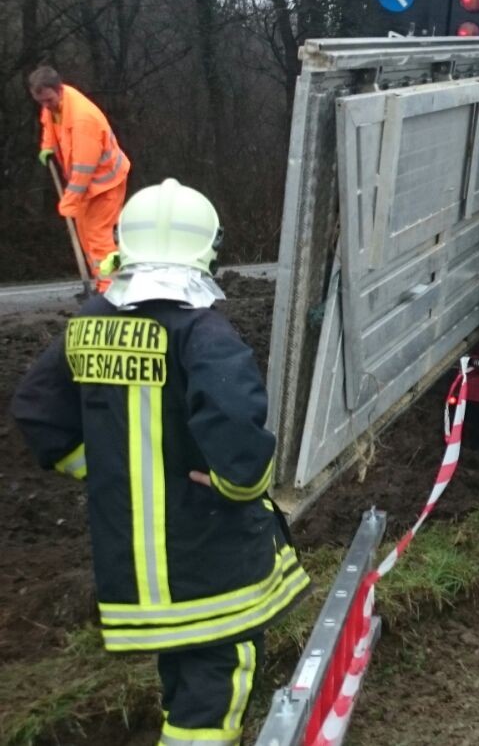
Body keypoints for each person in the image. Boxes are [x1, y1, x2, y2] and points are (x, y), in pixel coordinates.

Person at [11, 180, 309, 746]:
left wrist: (99, 470)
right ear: (207, 250)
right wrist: (236, 485)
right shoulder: (203, 331)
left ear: (127, 244)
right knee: (220, 678)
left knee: (183, 671)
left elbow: (37, 412)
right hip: (208, 558)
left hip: (132, 566)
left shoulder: (88, 323)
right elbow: (238, 428)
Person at [29, 66, 132, 292]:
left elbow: (84, 168)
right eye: (41, 102)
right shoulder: (54, 106)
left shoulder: (83, 119)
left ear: (59, 90)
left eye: (48, 100)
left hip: (106, 184)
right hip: (88, 186)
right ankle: (101, 281)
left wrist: (70, 201)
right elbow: (49, 123)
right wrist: (47, 147)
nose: (46, 106)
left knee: (98, 236)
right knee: (86, 236)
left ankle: (111, 288)